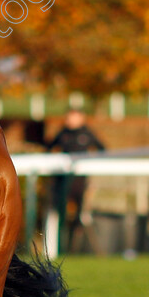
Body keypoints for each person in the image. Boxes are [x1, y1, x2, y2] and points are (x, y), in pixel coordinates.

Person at [45, 108, 105, 254]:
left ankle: (73, 249)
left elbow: (102, 149)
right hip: (63, 182)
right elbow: (49, 148)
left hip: (80, 182)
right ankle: (60, 248)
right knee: (61, 215)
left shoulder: (87, 133)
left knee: (77, 217)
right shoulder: (63, 133)